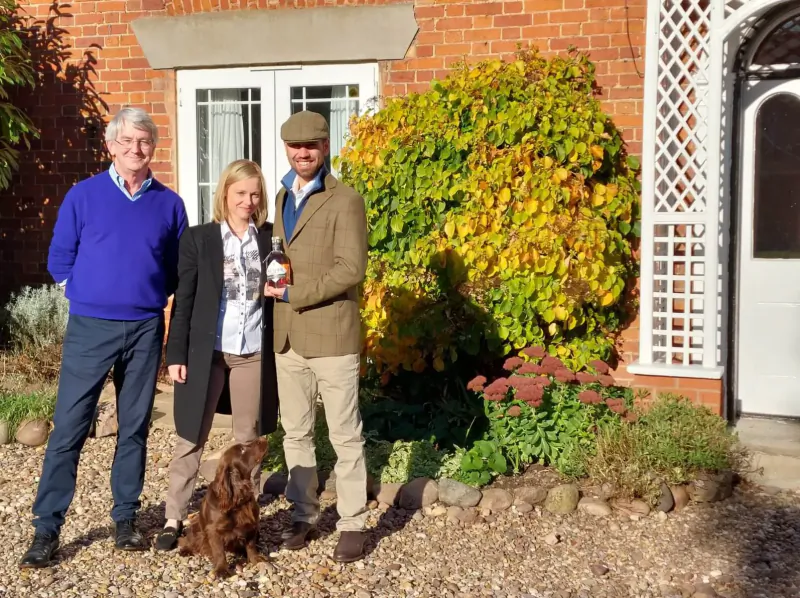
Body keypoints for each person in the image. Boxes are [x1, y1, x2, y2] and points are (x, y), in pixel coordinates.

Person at [20, 107, 188, 569]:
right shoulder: (83, 196)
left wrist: (144, 295)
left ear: (154, 147)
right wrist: (89, 293)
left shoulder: (170, 204)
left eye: (145, 142)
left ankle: (126, 520)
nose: (137, 149)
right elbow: (60, 260)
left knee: (133, 427)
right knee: (69, 427)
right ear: (111, 146)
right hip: (90, 329)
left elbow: (175, 268)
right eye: (128, 141)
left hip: (145, 327)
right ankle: (46, 529)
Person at [154, 159, 279, 551]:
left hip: (252, 352)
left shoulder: (270, 238)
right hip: (206, 351)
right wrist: (175, 353)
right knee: (191, 436)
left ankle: (246, 518)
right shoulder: (199, 239)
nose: (248, 200)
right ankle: (174, 516)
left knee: (248, 440)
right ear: (225, 193)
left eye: (255, 193)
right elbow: (184, 299)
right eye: (241, 193)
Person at [263, 111, 369, 563]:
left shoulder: (346, 199)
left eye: (311, 146)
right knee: (296, 432)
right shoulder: (283, 194)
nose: (302, 153)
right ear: (286, 149)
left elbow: (351, 268)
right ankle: (303, 514)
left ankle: (352, 522)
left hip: (333, 335)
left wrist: (293, 293)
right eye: (294, 147)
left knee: (345, 435)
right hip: (288, 338)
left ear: (325, 147)